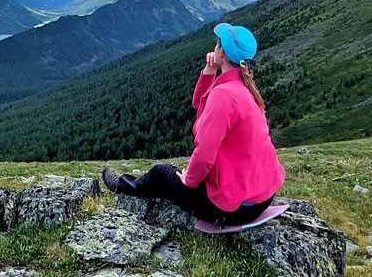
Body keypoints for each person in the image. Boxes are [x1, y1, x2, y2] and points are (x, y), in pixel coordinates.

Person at [101, 23, 286, 226]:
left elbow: (205, 154)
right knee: (183, 173)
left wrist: (189, 180)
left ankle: (122, 185)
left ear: (221, 53)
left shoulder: (223, 95)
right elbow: (200, 103)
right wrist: (210, 70)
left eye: (217, 45)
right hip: (262, 199)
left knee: (161, 173)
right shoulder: (245, 86)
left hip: (234, 209)